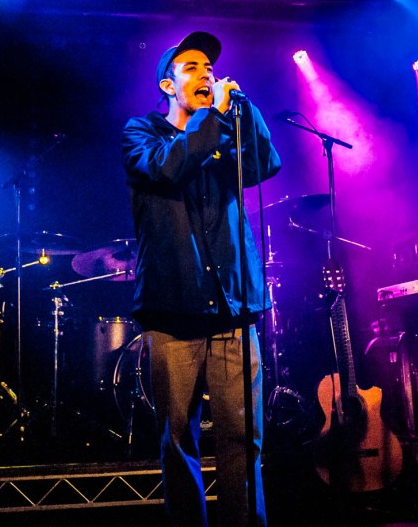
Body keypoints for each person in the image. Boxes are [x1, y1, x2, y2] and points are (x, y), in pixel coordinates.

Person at [122, 31, 281, 527]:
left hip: (233, 306)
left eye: (209, 68)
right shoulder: (141, 134)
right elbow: (168, 169)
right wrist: (212, 120)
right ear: (168, 85)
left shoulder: (221, 132)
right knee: (178, 437)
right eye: (191, 67)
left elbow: (266, 164)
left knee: (243, 436)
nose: (206, 74)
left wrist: (243, 111)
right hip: (173, 310)